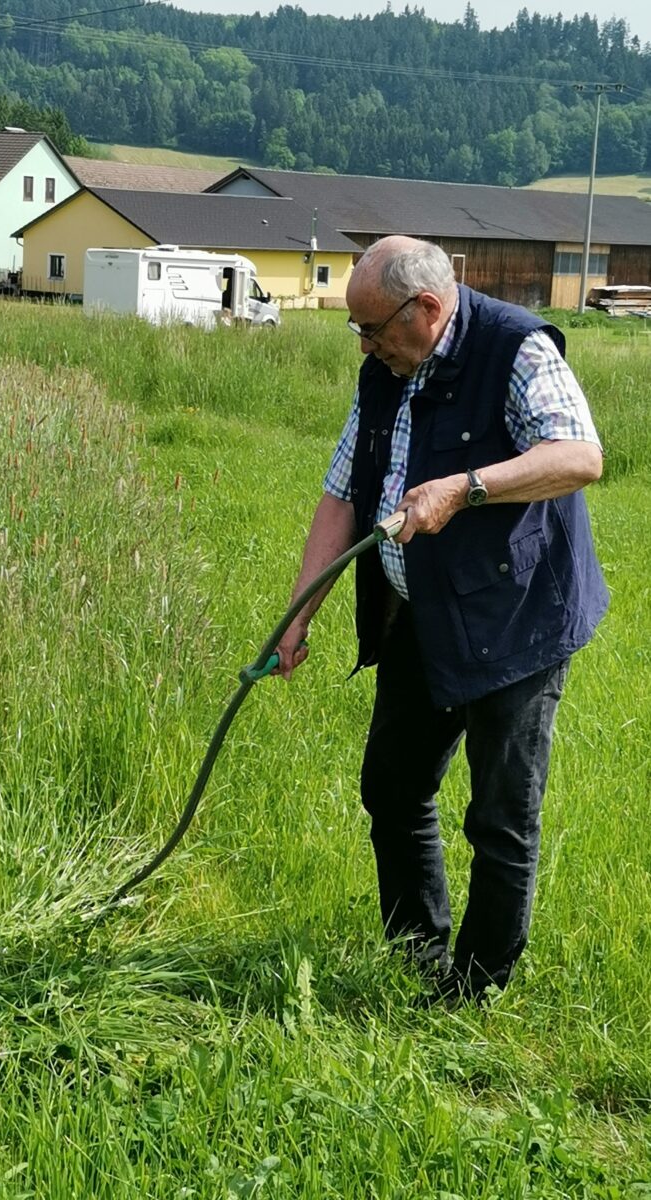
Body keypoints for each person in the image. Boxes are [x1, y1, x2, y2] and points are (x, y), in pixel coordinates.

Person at [274, 236, 608, 1006]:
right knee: (392, 786)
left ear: (427, 308)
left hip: (516, 620)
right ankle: (417, 953)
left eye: (375, 329)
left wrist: (467, 487)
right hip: (424, 616)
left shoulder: (515, 348)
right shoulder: (384, 370)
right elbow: (342, 492)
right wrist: (299, 615)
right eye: (357, 330)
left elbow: (581, 455)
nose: (366, 345)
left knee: (500, 817)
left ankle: (474, 990)